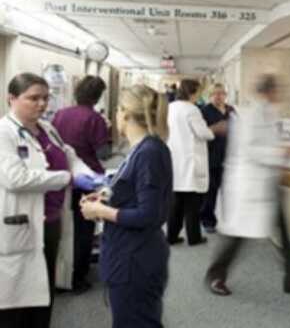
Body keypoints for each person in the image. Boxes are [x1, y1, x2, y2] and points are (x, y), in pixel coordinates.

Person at [206, 74, 290, 296]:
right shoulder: (249, 115)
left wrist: (287, 150)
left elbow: (274, 142)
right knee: (237, 235)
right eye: (276, 91)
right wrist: (279, 153)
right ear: (267, 92)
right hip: (249, 184)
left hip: (269, 182)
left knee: (287, 233)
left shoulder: (270, 113)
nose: (278, 95)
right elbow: (250, 150)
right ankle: (215, 276)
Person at [0, 73, 95, 327]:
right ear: (11, 99)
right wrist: (67, 178)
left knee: (44, 289)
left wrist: (88, 175)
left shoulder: (48, 128)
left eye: (45, 98)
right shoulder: (4, 133)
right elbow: (15, 179)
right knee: (15, 296)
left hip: (51, 220)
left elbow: (69, 155)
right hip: (20, 223)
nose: (42, 104)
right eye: (33, 98)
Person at [79, 84, 172, 328]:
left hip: (135, 260)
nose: (114, 117)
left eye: (117, 111)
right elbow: (136, 194)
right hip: (129, 254)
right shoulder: (141, 149)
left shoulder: (149, 152)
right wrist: (105, 196)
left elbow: (148, 214)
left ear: (126, 113)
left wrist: (100, 211)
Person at [51, 75, 110, 294]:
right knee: (84, 230)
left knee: (65, 229)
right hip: (88, 180)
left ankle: (62, 276)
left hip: (63, 178)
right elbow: (104, 154)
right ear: (97, 96)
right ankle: (78, 279)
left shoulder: (59, 114)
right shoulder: (95, 119)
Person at [167, 79, 226, 246]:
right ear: (192, 92)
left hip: (176, 158)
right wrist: (215, 129)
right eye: (198, 92)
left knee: (176, 202)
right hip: (190, 160)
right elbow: (204, 134)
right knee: (192, 202)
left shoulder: (171, 107)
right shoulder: (192, 110)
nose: (199, 96)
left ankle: (171, 236)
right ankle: (194, 238)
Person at [200, 83, 236, 234]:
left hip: (229, 156)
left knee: (229, 191)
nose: (219, 96)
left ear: (225, 95)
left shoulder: (231, 110)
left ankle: (231, 220)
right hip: (211, 155)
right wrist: (215, 128)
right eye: (215, 93)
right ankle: (208, 220)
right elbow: (200, 132)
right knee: (211, 192)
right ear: (210, 96)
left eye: (221, 93)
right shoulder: (204, 111)